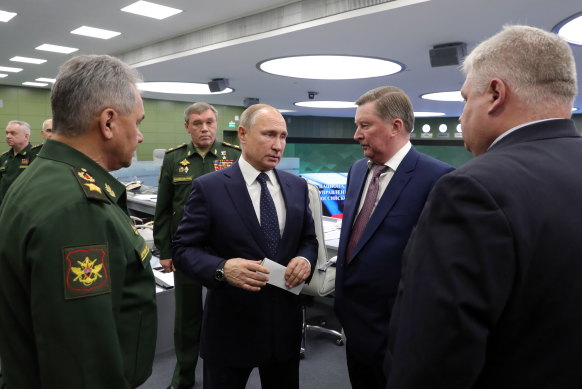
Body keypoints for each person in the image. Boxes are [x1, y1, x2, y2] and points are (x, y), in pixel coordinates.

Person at [385, 25, 582, 388]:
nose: (460, 118)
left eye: (464, 99)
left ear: (495, 93)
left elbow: (431, 360)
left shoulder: (472, 190)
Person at [0, 54, 157, 388]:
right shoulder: (77, 207)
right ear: (109, 122)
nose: (140, 135)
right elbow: (84, 366)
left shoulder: (45, 177)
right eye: (138, 121)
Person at [172, 103, 318, 389]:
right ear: (243, 134)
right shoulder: (209, 187)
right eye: (269, 135)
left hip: (283, 329)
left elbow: (308, 239)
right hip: (231, 328)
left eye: (283, 136)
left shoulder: (297, 187)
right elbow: (183, 248)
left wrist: (306, 260)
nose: (278, 145)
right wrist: (222, 268)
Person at [333, 86, 454, 389]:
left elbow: (438, 266)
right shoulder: (358, 170)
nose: (356, 135)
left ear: (395, 126)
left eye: (365, 125)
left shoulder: (438, 178)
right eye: (356, 126)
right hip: (353, 322)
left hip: (397, 332)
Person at [154, 102, 241, 389]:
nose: (204, 128)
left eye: (209, 122)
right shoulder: (173, 159)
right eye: (197, 123)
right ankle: (184, 375)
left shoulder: (234, 156)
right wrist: (165, 251)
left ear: (216, 124)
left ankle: (225, 374)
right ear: (187, 127)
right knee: (187, 319)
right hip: (187, 252)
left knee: (226, 314)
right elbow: (164, 209)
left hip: (225, 251)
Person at [0, 120, 40, 204]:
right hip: (4, 205)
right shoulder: (3, 158)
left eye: (13, 133)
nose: (8, 136)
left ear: (26, 136)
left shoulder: (36, 156)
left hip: (25, 205)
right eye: (7, 133)